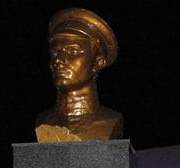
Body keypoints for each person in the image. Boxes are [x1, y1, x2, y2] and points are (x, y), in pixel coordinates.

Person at [35, 8, 123, 142]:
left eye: (73, 51)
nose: (59, 60)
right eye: (55, 53)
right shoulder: (43, 121)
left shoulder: (110, 121)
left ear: (97, 63)